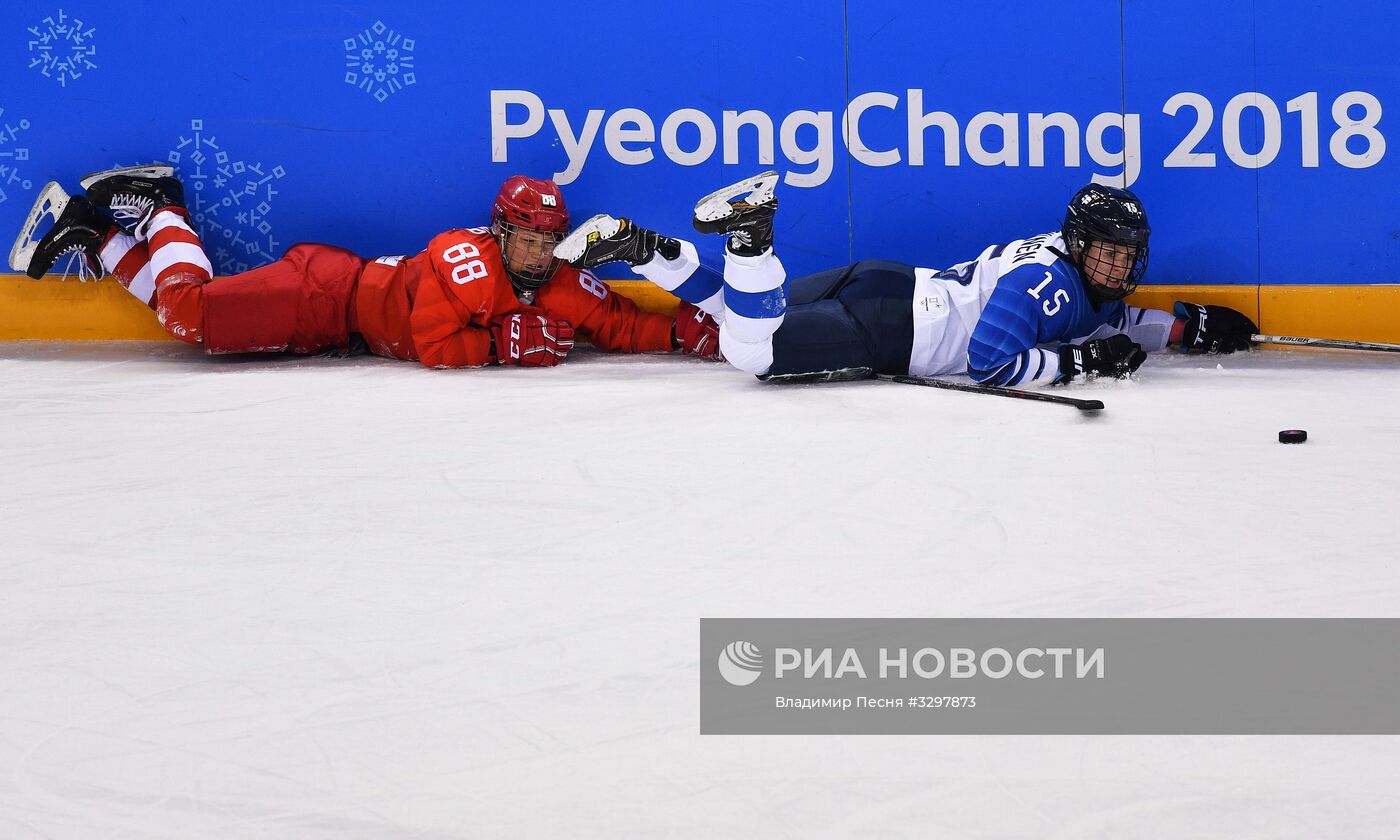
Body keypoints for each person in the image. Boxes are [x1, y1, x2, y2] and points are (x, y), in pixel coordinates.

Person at [553, 171, 1260, 385]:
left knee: (735, 319)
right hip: (892, 326)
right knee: (751, 352)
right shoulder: (1046, 283)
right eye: (1105, 252)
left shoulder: (1062, 261)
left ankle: (641, 247)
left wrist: (1183, 327)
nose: (1116, 265)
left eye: (1125, 254)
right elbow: (990, 362)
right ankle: (750, 238)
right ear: (1080, 246)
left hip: (884, 284)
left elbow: (1097, 316)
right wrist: (1078, 363)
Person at [9, 165, 722, 368]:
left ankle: (93, 231)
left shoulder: (563, 281)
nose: (539, 251)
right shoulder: (459, 255)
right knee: (187, 315)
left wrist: (687, 333)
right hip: (320, 295)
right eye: (526, 237)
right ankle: (163, 208)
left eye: (549, 239)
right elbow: (435, 346)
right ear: (499, 231)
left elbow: (619, 324)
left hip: (332, 324)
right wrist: (500, 348)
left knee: (185, 318)